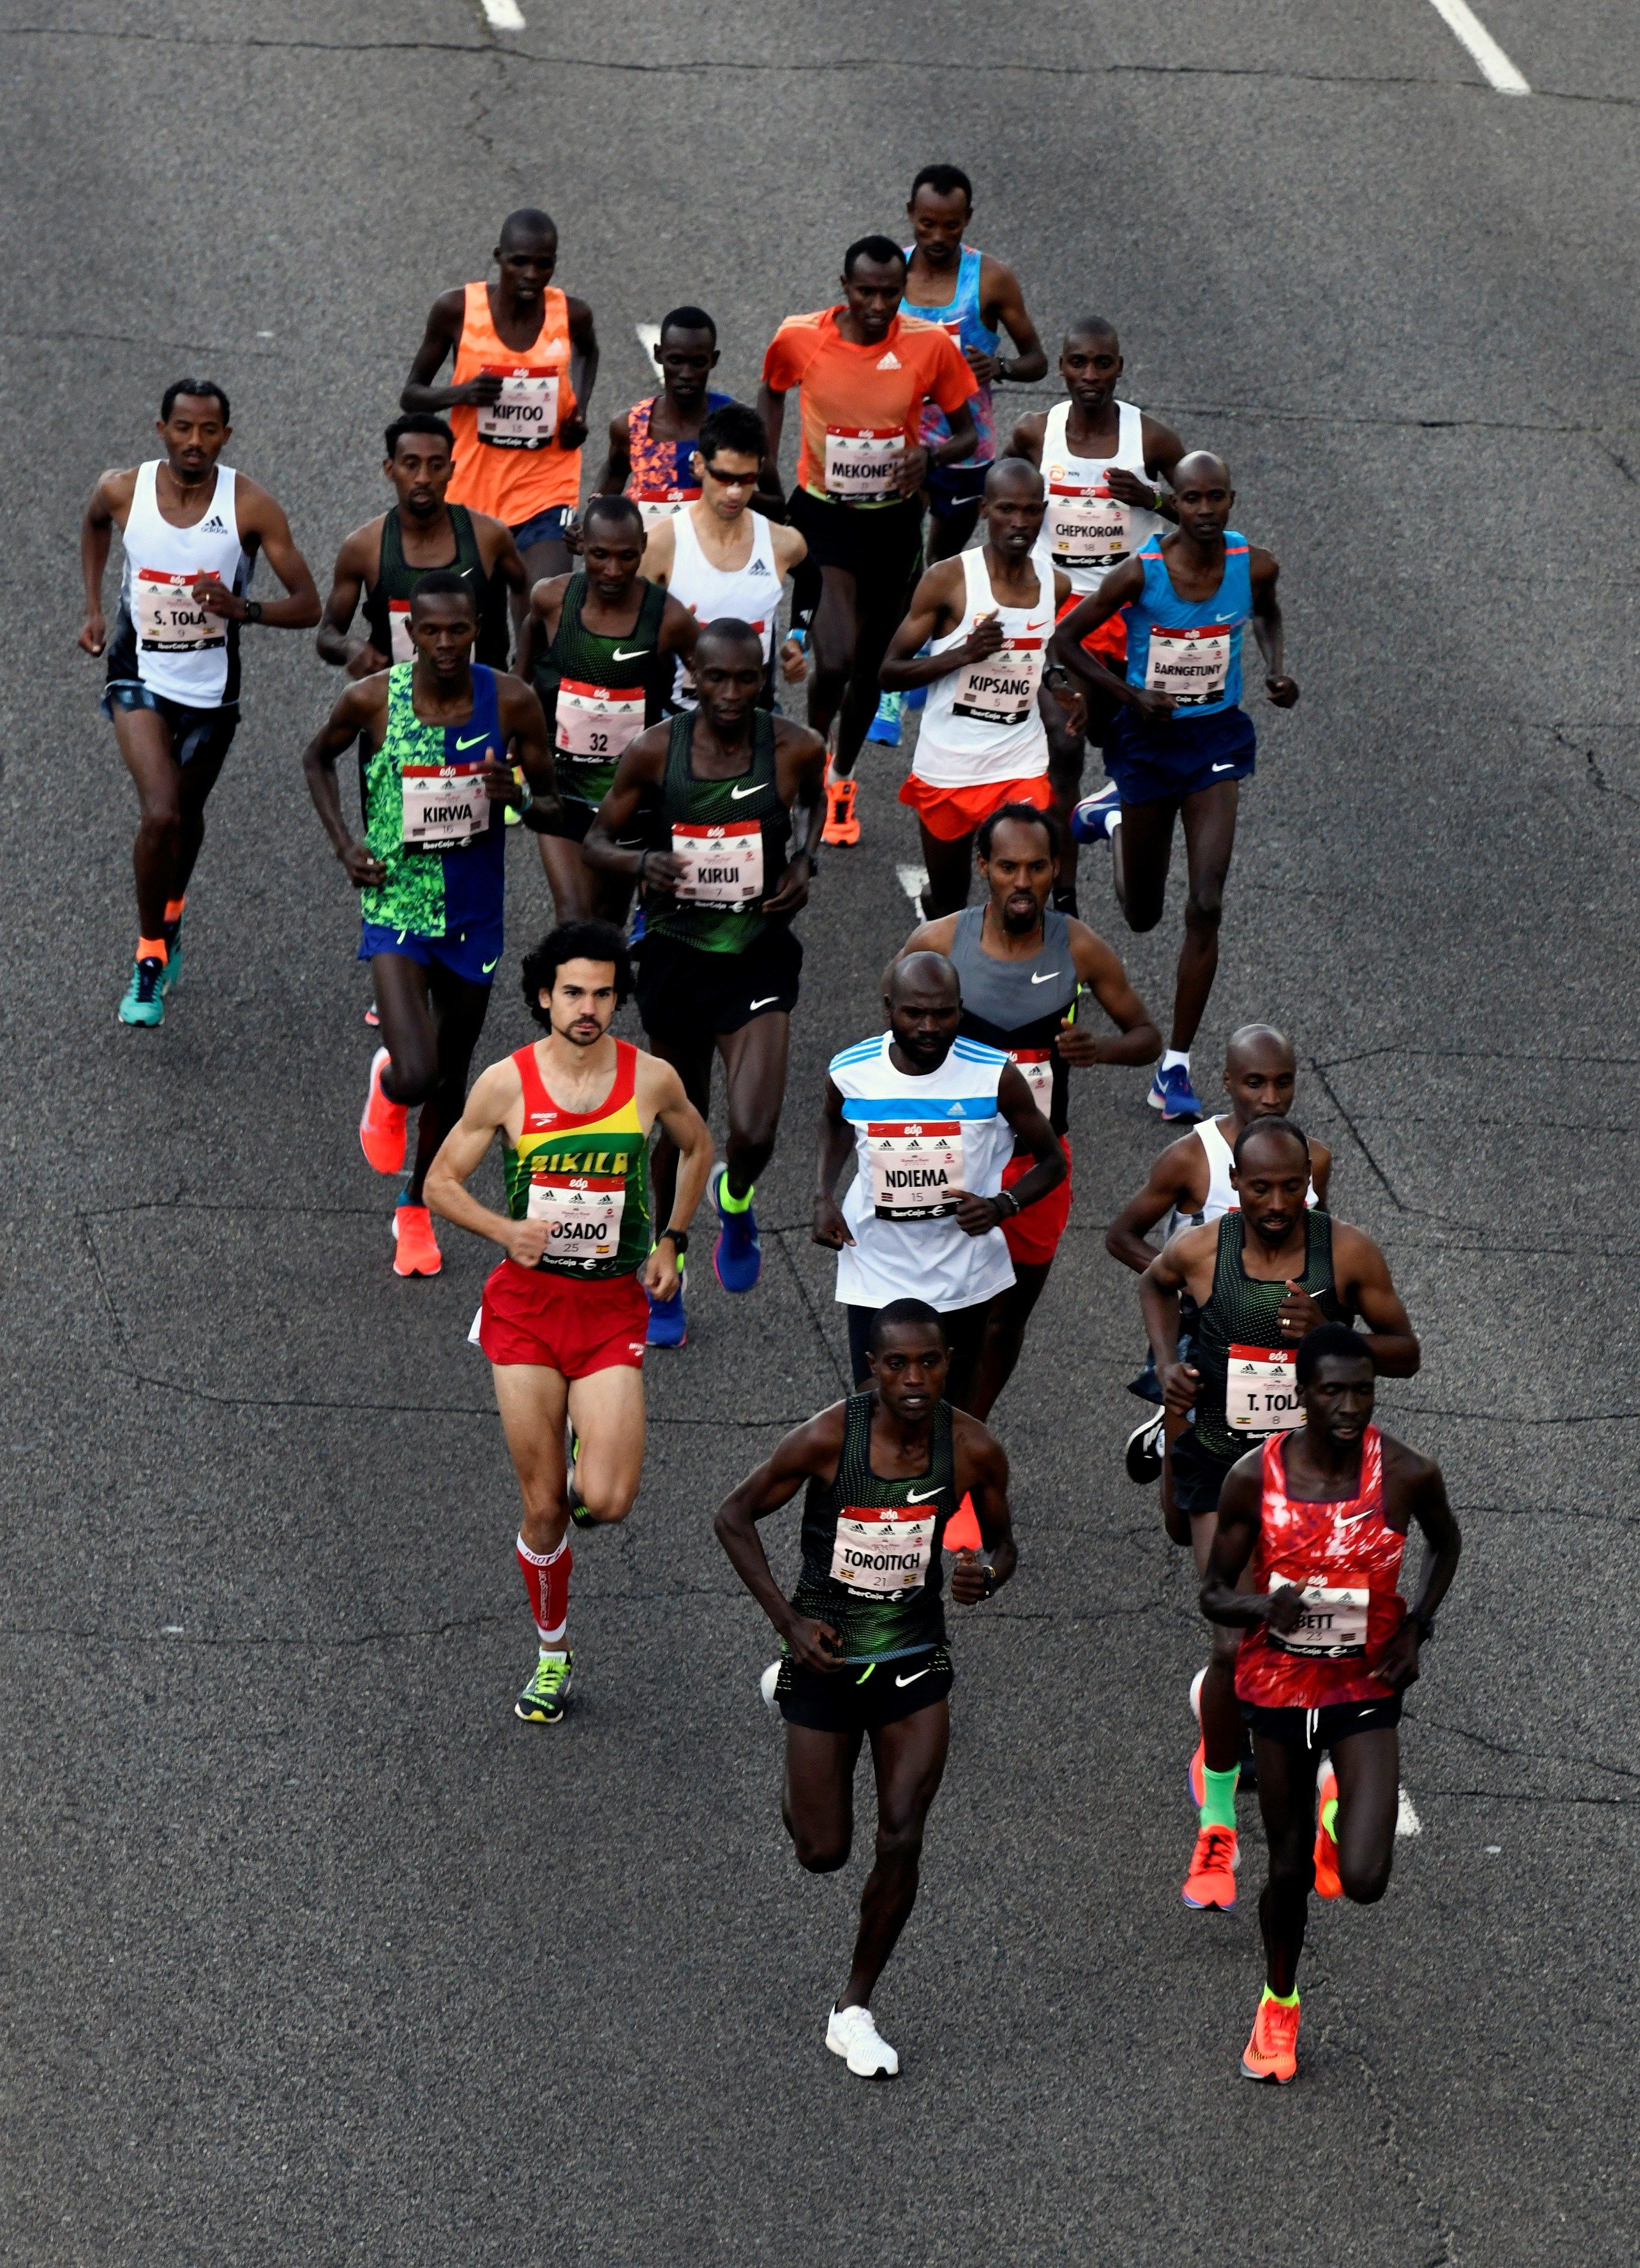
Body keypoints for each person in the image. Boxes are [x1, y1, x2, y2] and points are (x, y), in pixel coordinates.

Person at [713, 1299, 1017, 2078]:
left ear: (950, 1364)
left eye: (930, 1363)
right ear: (871, 1370)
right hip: (827, 1658)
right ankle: (786, 1701)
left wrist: (984, 1574)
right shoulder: (828, 1439)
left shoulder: (974, 1449)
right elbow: (734, 1517)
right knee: (822, 1851)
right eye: (897, 1365)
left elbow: (1004, 1542)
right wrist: (788, 1624)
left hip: (915, 1657)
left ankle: (854, 2008)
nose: (915, 1380)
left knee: (904, 1832)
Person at [425, 922, 712, 1725]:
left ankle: (590, 1450)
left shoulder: (651, 1080)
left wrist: (674, 1239)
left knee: (609, 1500)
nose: (588, 1009)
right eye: (574, 993)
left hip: (611, 1306)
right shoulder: (506, 1085)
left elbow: (697, 1146)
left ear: (620, 999)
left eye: (603, 994)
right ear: (545, 996)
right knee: (546, 1505)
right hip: (525, 1310)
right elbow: (441, 1181)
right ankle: (552, 1652)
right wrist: (502, 1231)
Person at [1138, 1119, 1420, 1915]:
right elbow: (1153, 1284)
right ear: (1237, 1183)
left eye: (1289, 1187)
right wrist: (1167, 1365)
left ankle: (1321, 1762)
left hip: (1315, 1477)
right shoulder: (1204, 1251)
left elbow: (1408, 1349)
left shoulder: (1349, 1253)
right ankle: (1219, 1819)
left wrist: (1337, 1337)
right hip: (1223, 1470)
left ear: (1309, 1181)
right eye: (1257, 1187)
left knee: (1304, 1637)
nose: (1273, 1203)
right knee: (1233, 1642)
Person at [1201, 1324, 1461, 2083]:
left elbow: (1447, 1544)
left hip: (1362, 1687)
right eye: (1333, 1391)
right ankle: (1277, 2005)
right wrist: (1257, 1606)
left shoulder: (1407, 1472)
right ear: (1301, 1395)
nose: (1349, 1407)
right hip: (1279, 1692)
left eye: (1363, 1391)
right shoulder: (1256, 1477)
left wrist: (1417, 1626)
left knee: (1367, 1879)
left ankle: (1336, 1818)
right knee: (1284, 1871)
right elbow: (1211, 1590)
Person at [301, 572, 560, 1277]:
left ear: (477, 629)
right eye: (430, 631)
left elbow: (552, 805)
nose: (444, 644)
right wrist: (345, 845)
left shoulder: (510, 700)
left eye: (458, 630)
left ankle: (415, 1207)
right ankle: (389, 1083)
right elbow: (317, 758)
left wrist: (521, 796)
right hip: (396, 904)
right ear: (409, 633)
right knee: (418, 1072)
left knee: (452, 1078)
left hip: (473, 914)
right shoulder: (373, 699)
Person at [583, 620, 826, 1340]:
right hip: (677, 955)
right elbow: (598, 840)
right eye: (714, 678)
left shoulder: (793, 747)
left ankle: (737, 1194)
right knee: (679, 1124)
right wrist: (640, 866)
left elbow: (811, 804)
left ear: (762, 679)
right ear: (692, 674)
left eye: (744, 679)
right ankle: (669, 1260)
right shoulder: (657, 751)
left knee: (751, 1132)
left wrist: (804, 862)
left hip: (756, 954)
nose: (728, 693)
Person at [1051, 452, 1298, 1118]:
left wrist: (1276, 670)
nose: (1205, 511)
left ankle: (1176, 1066)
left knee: (1207, 903)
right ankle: (1114, 819)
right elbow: (1064, 644)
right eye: (1191, 499)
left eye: (1216, 498)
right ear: (1174, 502)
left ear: (1230, 499)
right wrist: (1128, 695)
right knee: (1141, 916)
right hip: (1148, 744)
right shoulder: (1141, 573)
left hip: (1215, 740)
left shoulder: (1255, 566)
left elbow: (1268, 614)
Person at [897, 803, 1161, 1416]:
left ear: (1054, 869)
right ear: (983, 866)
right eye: (1009, 866)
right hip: (949, 1160)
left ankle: (967, 1432)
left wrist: (1101, 1048)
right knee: (934, 1317)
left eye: (1037, 868)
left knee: (1004, 1319)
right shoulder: (938, 942)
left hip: (1037, 1166)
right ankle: (924, 1429)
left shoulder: (1080, 948)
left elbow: (1145, 1034)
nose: (1023, 882)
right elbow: (892, 1037)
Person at [79, 379, 321, 1026]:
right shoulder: (123, 488)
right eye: (182, 428)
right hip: (138, 672)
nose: (194, 441)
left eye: (208, 430)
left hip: (211, 688)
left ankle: (174, 909)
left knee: (186, 813)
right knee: (159, 815)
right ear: (161, 429)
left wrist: (244, 608)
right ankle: (150, 953)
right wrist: (96, 609)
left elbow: (309, 604)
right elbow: (95, 523)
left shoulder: (251, 505)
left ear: (226, 436)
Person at [758, 237, 978, 846]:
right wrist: (767, 467)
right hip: (824, 519)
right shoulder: (800, 337)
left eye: (889, 291)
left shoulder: (928, 346)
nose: (878, 304)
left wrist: (928, 456)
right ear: (844, 286)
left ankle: (841, 776)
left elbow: (969, 432)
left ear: (903, 288)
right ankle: (808, 759)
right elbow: (773, 387)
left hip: (894, 523)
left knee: (872, 670)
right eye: (865, 291)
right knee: (833, 658)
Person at [814, 952, 1064, 1404]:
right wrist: (823, 1196)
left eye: (943, 1013)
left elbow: (1052, 1161)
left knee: (950, 1413)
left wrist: (1000, 1206)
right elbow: (835, 1122)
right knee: (878, 1412)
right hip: (877, 1267)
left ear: (960, 1009)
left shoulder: (994, 1076)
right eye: (914, 1013)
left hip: (962, 1274)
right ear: (888, 1009)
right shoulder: (851, 1071)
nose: (929, 1027)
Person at [1007, 319, 1186, 907]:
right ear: (1060, 366)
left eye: (1102, 364)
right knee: (1063, 741)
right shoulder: (1036, 432)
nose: (1090, 376)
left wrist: (1153, 499)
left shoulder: (1151, 440)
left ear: (1119, 365)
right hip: (1058, 612)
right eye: (1078, 363)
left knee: (1125, 741)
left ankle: (1107, 810)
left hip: (1129, 610)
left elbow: (1205, 515)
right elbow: (1002, 493)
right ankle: (1062, 893)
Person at [1107, 1025, 1332, 1482]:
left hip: (1276, 1328)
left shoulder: (1314, 1159)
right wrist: (1191, 1281)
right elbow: (1121, 1236)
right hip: (1203, 1324)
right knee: (1192, 1495)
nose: (1271, 1097)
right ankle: (1172, 1426)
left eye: (1282, 1083)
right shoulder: (1192, 1157)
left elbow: (1320, 1236)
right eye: (1255, 1083)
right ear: (1228, 1082)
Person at [878, 458, 1075, 917]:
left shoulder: (1056, 584)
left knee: (1023, 892)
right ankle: (937, 923)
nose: (1020, 522)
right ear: (985, 509)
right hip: (948, 765)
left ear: (1044, 511)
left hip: (1018, 760)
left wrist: (1059, 683)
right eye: (1008, 509)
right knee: (951, 901)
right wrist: (963, 654)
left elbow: (1041, 653)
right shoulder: (948, 581)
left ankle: (1026, 981)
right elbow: (888, 672)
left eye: (1031, 511)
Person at [518, 493, 698, 923]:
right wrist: (516, 735)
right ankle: (560, 987)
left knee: (607, 921)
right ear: (581, 546)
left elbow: (711, 687)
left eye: (626, 557)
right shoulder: (551, 600)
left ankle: (603, 988)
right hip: (561, 790)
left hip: (627, 799)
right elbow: (519, 679)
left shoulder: (668, 618)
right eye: (600, 555)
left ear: (642, 551)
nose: (613, 571)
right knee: (573, 915)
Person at [400, 208, 598, 591]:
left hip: (545, 487)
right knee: (476, 622)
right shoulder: (457, 310)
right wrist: (463, 393)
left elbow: (589, 353)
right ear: (498, 258)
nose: (531, 275)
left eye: (543, 265)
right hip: (471, 489)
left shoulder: (572, 314)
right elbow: (411, 396)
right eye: (519, 262)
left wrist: (580, 411)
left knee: (547, 601)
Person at [899, 165, 1048, 563]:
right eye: (927, 224)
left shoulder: (990, 279)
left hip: (966, 448)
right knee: (898, 557)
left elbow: (1037, 361)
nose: (938, 237)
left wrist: (1000, 367)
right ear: (911, 212)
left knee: (941, 562)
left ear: (968, 219)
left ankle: (935, 621)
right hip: (902, 445)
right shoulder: (891, 273)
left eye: (952, 226)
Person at [317, 413, 526, 678]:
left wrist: (525, 661)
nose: (423, 478)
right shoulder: (363, 548)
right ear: (390, 469)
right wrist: (350, 646)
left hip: (481, 698)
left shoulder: (489, 536)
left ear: (451, 471)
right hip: (401, 704)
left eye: (436, 465)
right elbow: (327, 635)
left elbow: (524, 588)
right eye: (411, 464)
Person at [640, 401, 808, 709]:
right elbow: (630, 629)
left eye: (746, 480)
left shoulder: (782, 544)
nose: (734, 493)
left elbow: (812, 579)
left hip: (756, 718)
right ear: (701, 465)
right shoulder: (663, 543)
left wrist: (798, 639)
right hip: (679, 719)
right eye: (723, 477)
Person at [595, 305, 733, 529]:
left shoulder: (735, 424)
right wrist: (593, 517)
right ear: (659, 355)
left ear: (713, 360)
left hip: (715, 556)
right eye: (676, 361)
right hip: (647, 558)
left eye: (698, 363)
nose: (686, 374)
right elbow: (615, 473)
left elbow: (774, 504)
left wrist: (717, 483)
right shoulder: (631, 427)